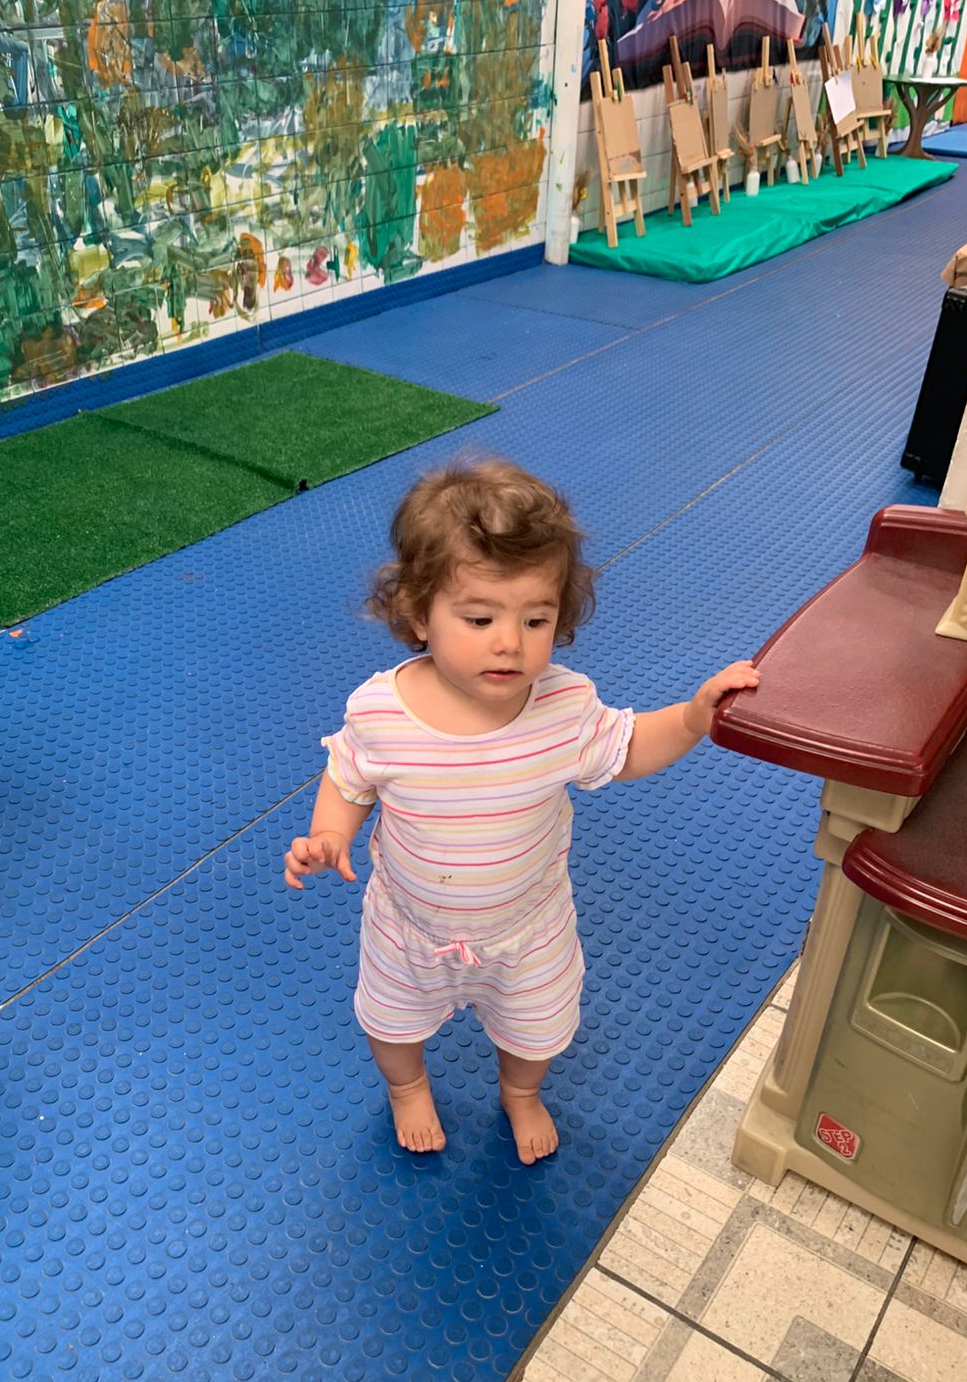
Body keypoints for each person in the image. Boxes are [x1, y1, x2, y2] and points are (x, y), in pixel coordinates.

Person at [284, 458, 760, 1164]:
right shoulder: (381, 711)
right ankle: (407, 1087)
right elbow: (349, 779)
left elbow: (628, 748)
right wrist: (329, 835)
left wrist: (691, 718)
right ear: (418, 613)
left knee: (538, 1032)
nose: (510, 640)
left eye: (536, 618)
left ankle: (520, 1092)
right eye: (479, 618)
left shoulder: (563, 708)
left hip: (528, 928)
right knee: (390, 1025)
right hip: (409, 929)